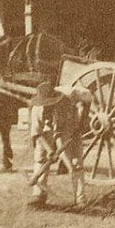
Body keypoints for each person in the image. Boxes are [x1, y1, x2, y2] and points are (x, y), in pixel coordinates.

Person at [27, 80, 92, 208]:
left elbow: (60, 138)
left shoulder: (67, 101)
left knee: (75, 164)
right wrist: (50, 151)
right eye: (44, 105)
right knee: (40, 159)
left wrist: (84, 117)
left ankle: (80, 199)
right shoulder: (36, 110)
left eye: (49, 104)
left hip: (71, 129)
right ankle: (39, 194)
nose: (47, 107)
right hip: (46, 132)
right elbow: (37, 134)